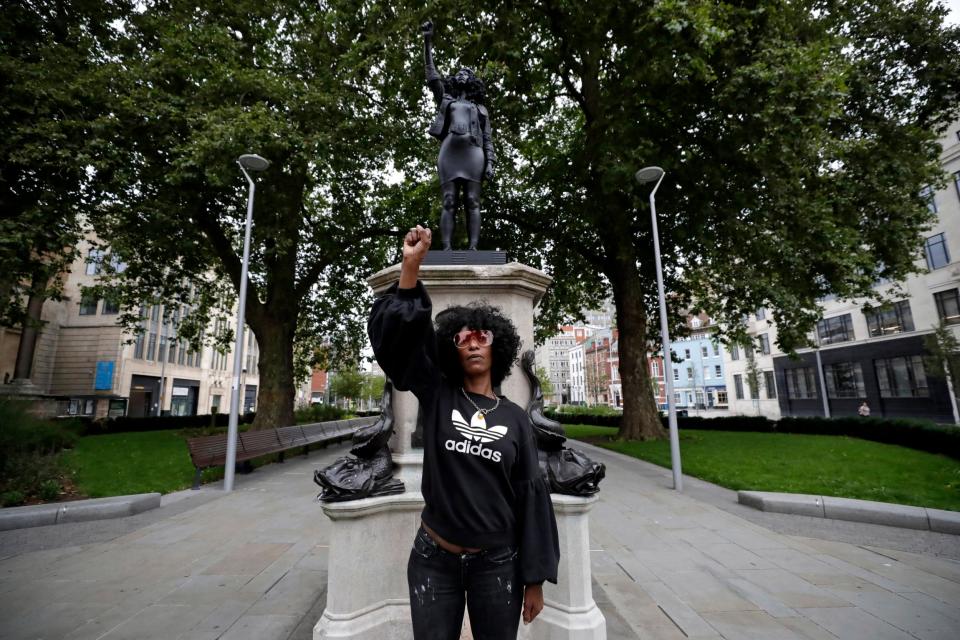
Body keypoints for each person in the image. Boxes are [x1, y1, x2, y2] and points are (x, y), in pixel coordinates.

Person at [368, 225, 559, 639]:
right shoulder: (438, 395)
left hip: (497, 564)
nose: (472, 343)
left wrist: (535, 579)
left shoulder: (514, 419)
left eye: (482, 336)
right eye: (462, 338)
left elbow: (531, 495)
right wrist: (410, 267)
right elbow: (402, 347)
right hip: (433, 560)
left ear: (497, 348)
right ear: (452, 350)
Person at [421, 20, 495, 250]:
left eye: (468, 72)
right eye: (460, 72)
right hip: (450, 152)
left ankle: (473, 248)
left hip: (474, 153)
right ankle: (446, 248)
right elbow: (432, 76)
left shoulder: (481, 109)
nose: (463, 74)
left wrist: (490, 163)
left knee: (473, 201)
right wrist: (427, 41)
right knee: (449, 201)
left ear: (473, 81)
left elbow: (488, 139)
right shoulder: (446, 99)